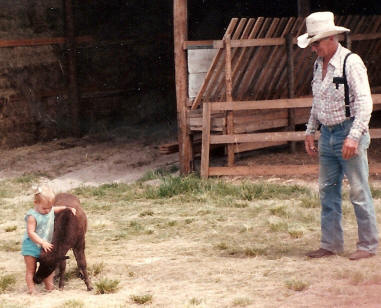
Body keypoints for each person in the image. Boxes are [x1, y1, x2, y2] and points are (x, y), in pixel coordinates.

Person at [297, 11, 378, 260]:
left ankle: (367, 245)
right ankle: (330, 244)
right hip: (327, 135)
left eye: (317, 43)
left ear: (332, 38)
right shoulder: (318, 65)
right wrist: (310, 130)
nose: (314, 49)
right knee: (327, 191)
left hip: (347, 131)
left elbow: (365, 103)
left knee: (358, 191)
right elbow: (317, 102)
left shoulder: (350, 62)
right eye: (312, 44)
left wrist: (353, 137)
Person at [21, 185, 76, 294]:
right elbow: (31, 232)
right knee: (31, 270)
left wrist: (67, 208)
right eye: (44, 208)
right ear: (35, 203)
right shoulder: (32, 216)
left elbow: (57, 209)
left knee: (48, 268)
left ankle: (49, 288)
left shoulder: (50, 210)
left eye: (50, 208)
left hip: (45, 246)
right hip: (31, 247)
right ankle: (32, 290)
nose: (47, 211)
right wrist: (42, 242)